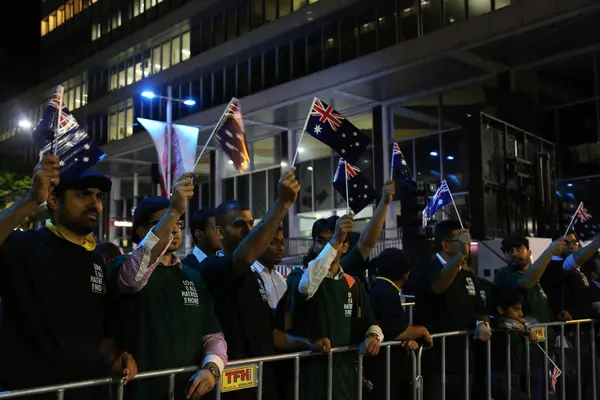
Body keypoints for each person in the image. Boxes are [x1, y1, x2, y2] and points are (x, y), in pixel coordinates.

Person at [0, 156, 136, 398]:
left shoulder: (96, 258)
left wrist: (118, 357)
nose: (95, 204)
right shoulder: (24, 246)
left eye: (99, 197)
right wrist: (31, 200)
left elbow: (98, 329)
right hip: (31, 391)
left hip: (87, 390)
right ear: (53, 199)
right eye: (83, 195)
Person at [198, 168, 324, 400]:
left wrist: (306, 344)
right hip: (231, 387)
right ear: (219, 232)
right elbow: (243, 257)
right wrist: (283, 204)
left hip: (264, 382)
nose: (248, 229)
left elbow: (270, 332)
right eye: (239, 224)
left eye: (250, 223)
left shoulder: (254, 277)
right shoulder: (210, 269)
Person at [107, 174, 227, 400]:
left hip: (189, 392)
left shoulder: (193, 276)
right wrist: (173, 212)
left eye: (179, 223)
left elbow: (213, 336)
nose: (175, 228)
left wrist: (212, 369)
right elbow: (134, 279)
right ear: (142, 232)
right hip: (140, 393)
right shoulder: (122, 267)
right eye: (165, 223)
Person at [293, 215, 384, 400]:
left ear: (345, 247)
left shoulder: (353, 283)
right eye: (321, 241)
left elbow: (372, 323)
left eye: (335, 241)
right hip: (311, 379)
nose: (328, 247)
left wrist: (373, 336)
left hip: (345, 378)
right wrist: (336, 239)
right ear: (314, 244)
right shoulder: (299, 276)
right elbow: (306, 287)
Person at [412, 220, 491, 400]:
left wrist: (482, 323)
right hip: (437, 357)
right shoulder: (429, 267)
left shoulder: (468, 273)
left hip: (463, 356)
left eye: (468, 242)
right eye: (461, 241)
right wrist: (459, 257)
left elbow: (479, 306)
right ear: (445, 244)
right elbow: (438, 286)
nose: (467, 245)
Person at [494, 233, 566, 399]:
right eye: (509, 251)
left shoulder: (537, 275)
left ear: (528, 250)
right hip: (525, 352)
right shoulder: (505, 275)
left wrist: (557, 315)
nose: (514, 254)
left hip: (543, 347)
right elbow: (525, 283)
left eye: (519, 249)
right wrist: (549, 253)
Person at [366, 248, 433, 400]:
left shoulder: (377, 288)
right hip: (384, 366)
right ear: (406, 275)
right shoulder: (387, 292)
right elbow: (395, 330)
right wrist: (422, 331)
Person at [490, 286, 539, 400]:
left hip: (515, 375)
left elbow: (532, 322)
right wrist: (524, 329)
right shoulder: (497, 322)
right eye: (516, 309)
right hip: (499, 378)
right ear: (501, 310)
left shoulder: (520, 324)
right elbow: (503, 323)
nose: (520, 314)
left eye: (521, 309)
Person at [254, 225, 287, 311]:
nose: (281, 248)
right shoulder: (251, 275)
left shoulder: (280, 278)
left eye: (282, 242)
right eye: (272, 243)